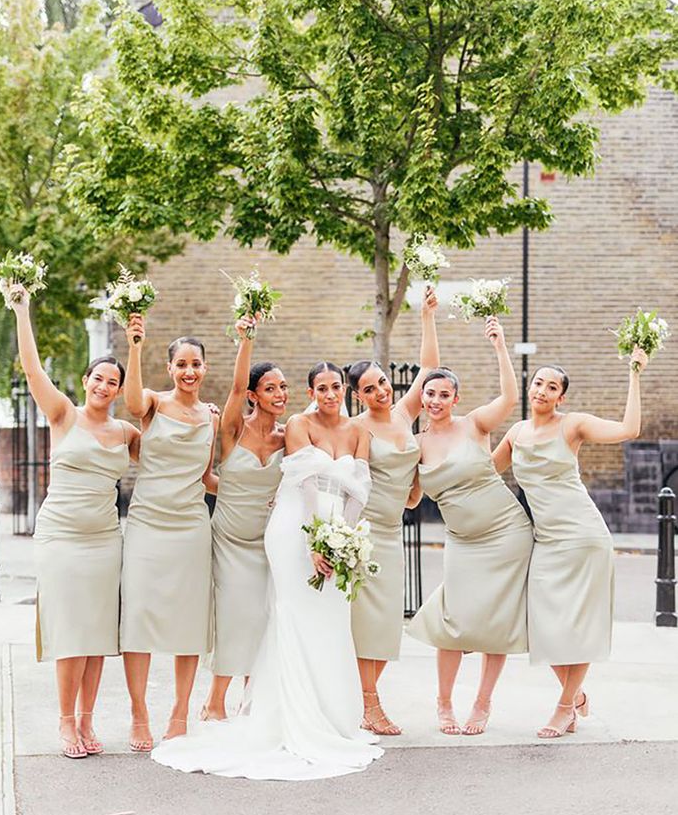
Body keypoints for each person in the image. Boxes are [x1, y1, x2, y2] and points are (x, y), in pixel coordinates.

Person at [151, 361, 383, 781]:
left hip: (339, 530)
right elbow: (306, 481)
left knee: (330, 619)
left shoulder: (358, 433)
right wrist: (317, 539)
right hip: (298, 528)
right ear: (313, 392)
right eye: (322, 388)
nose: (329, 394)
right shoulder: (297, 424)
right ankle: (266, 709)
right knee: (287, 614)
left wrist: (344, 539)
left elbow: (359, 489)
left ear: (345, 391)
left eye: (336, 387)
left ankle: (329, 714)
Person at [11, 285, 139, 759]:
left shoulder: (127, 432)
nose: (105, 386)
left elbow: (173, 455)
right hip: (62, 538)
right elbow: (32, 368)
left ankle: (88, 720)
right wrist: (23, 310)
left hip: (106, 540)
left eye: (113, 381)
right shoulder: (64, 415)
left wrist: (204, 416)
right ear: (86, 380)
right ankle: (65, 722)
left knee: (97, 632)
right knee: (69, 631)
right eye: (99, 378)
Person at [492, 348, 647, 737]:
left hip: (583, 536)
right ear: (530, 389)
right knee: (542, 626)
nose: (543, 390)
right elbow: (481, 474)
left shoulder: (573, 425)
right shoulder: (516, 434)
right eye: (538, 383)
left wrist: (635, 372)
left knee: (579, 628)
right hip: (545, 541)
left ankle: (564, 708)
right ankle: (574, 696)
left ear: (561, 397)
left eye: (552, 386)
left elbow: (629, 429)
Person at [406, 318, 534, 735]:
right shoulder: (417, 446)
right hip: (461, 541)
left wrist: (499, 346)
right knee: (454, 621)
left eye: (445, 394)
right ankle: (443, 703)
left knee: (496, 621)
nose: (437, 399)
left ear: (456, 398)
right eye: (431, 393)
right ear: (422, 398)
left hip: (506, 533)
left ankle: (482, 702)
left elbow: (511, 398)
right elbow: (410, 497)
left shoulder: (475, 424)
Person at [120, 314, 218, 750]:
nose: (189, 371)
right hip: (146, 522)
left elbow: (208, 477)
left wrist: (264, 492)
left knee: (188, 620)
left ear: (204, 367)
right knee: (138, 616)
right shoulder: (153, 405)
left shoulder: (212, 419)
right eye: (181, 364)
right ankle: (139, 712)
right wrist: (135, 344)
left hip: (190, 526)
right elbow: (131, 403)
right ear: (170, 368)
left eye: (195, 364)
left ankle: (180, 712)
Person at [347, 286, 439, 734]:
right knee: (366, 623)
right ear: (359, 396)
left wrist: (425, 317)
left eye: (382, 382)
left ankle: (366, 698)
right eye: (370, 388)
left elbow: (428, 368)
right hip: (364, 531)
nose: (381, 391)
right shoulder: (357, 427)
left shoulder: (404, 416)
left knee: (386, 625)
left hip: (393, 532)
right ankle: (370, 704)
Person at [202, 315, 287, 719]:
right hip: (230, 540)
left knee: (265, 617)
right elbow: (234, 385)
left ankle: (252, 700)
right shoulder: (233, 429)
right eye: (271, 388)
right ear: (254, 395)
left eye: (284, 387)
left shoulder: (289, 436)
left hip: (268, 543)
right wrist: (245, 337)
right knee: (238, 616)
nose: (279, 393)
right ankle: (214, 701)